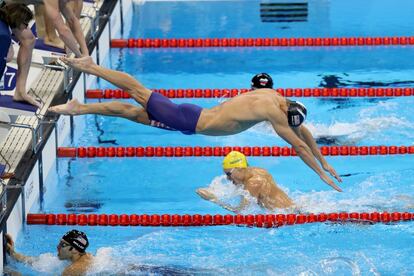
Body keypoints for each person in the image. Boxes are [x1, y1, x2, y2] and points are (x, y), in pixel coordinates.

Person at [49, 56, 343, 192]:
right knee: (139, 92)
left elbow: (301, 132)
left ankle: (81, 108)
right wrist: (320, 174)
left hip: (192, 118)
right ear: (287, 114)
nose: (289, 126)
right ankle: (91, 67)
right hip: (190, 120)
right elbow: (299, 146)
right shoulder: (276, 113)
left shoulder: (277, 97)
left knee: (133, 113)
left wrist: (325, 160)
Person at [197, 151, 294, 213]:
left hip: (286, 215)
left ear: (239, 169)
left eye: (229, 174)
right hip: (291, 208)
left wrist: (214, 199)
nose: (228, 179)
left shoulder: (253, 183)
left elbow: (240, 211)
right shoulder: (259, 171)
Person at [4, 0, 88, 57]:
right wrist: (80, 57)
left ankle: (21, 84)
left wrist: (85, 52)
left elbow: (72, 20)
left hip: (12, 7)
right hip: (3, 5)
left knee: (29, 40)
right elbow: (62, 30)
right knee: (9, 55)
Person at [0, 3, 41, 107]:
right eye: (26, 24)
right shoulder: (4, 36)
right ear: (18, 21)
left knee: (28, 39)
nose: (26, 27)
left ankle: (20, 92)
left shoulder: (4, 31)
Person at [5, 229, 93, 276]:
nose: (58, 247)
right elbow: (37, 262)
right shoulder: (83, 256)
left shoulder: (72, 270)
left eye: (63, 245)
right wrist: (13, 253)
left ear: (74, 250)